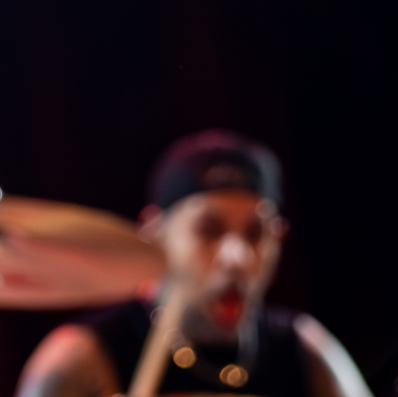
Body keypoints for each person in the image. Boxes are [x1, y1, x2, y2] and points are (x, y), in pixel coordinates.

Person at [18, 133, 372, 397]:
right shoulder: (83, 358)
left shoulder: (305, 351)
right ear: (155, 233)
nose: (237, 258)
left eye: (255, 233)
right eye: (209, 230)